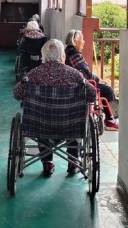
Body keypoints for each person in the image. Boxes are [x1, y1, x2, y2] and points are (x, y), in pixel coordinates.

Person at [14, 39, 97, 177]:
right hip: (69, 126)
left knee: (42, 120)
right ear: (62, 56)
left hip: (40, 126)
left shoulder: (32, 75)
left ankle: (47, 162)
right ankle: (73, 162)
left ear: (43, 56)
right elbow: (92, 94)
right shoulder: (75, 75)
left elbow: (17, 94)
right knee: (72, 118)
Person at [65, 30, 119, 131]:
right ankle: (110, 120)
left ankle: (109, 118)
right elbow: (86, 72)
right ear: (75, 41)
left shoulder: (68, 52)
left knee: (105, 88)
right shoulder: (74, 54)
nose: (84, 42)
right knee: (108, 90)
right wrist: (98, 80)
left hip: (74, 85)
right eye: (82, 39)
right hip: (81, 86)